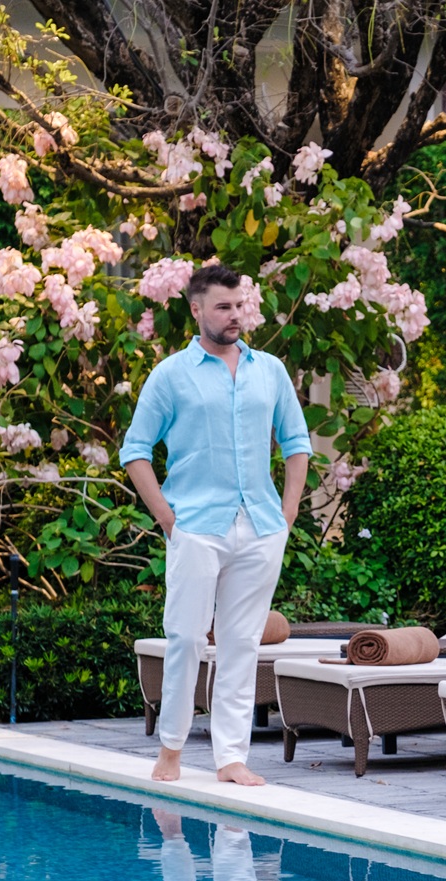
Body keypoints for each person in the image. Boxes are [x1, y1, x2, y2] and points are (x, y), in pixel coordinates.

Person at [122, 265, 310, 786]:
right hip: (196, 526)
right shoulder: (171, 375)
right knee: (184, 637)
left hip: (261, 526)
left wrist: (288, 512)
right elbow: (135, 451)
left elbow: (297, 443)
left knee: (241, 643)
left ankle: (230, 758)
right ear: (197, 310)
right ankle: (172, 751)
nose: (234, 315)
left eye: (239, 305)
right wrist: (166, 517)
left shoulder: (268, 370)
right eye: (223, 306)